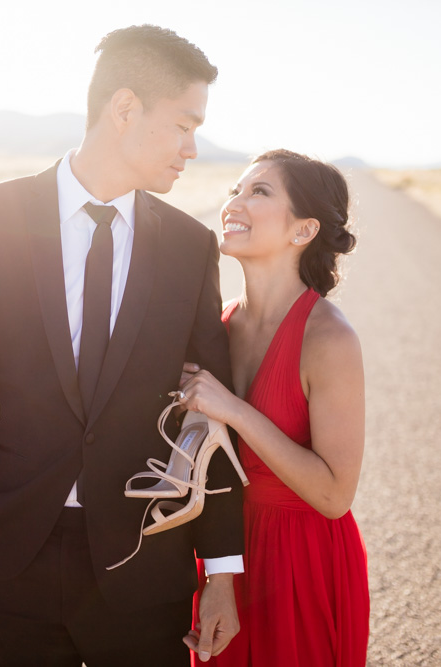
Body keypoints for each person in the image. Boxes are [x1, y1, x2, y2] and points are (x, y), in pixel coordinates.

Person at [0, 25, 245, 667]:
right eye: (184, 124)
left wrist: (220, 572)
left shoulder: (189, 246)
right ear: (124, 108)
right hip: (10, 561)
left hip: (143, 565)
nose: (193, 147)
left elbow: (209, 415)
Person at [179, 150, 370, 666]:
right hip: (224, 552)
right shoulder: (216, 326)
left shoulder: (329, 338)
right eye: (234, 191)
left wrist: (235, 411)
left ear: (303, 230)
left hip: (300, 560)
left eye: (258, 192)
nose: (234, 203)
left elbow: (334, 495)